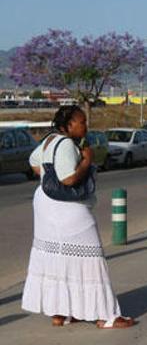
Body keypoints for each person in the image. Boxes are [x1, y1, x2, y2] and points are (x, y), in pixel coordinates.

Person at [22, 106, 135, 329]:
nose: (86, 126)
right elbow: (68, 180)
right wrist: (86, 161)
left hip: (46, 204)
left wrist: (47, 174)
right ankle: (106, 316)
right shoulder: (65, 144)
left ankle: (60, 313)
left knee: (57, 258)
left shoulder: (49, 140)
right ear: (68, 125)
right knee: (93, 257)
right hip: (67, 208)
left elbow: (34, 163)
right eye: (82, 122)